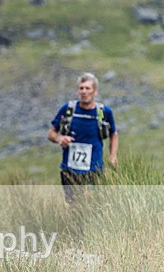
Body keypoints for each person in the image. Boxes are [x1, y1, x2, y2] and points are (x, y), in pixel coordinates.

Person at [47, 72, 119, 202]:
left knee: (93, 204)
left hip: (94, 169)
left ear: (95, 92)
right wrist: (60, 139)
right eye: (81, 88)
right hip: (69, 169)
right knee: (73, 206)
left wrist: (113, 155)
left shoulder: (103, 112)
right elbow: (51, 133)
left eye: (88, 88)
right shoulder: (68, 110)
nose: (84, 92)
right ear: (77, 91)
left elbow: (113, 134)